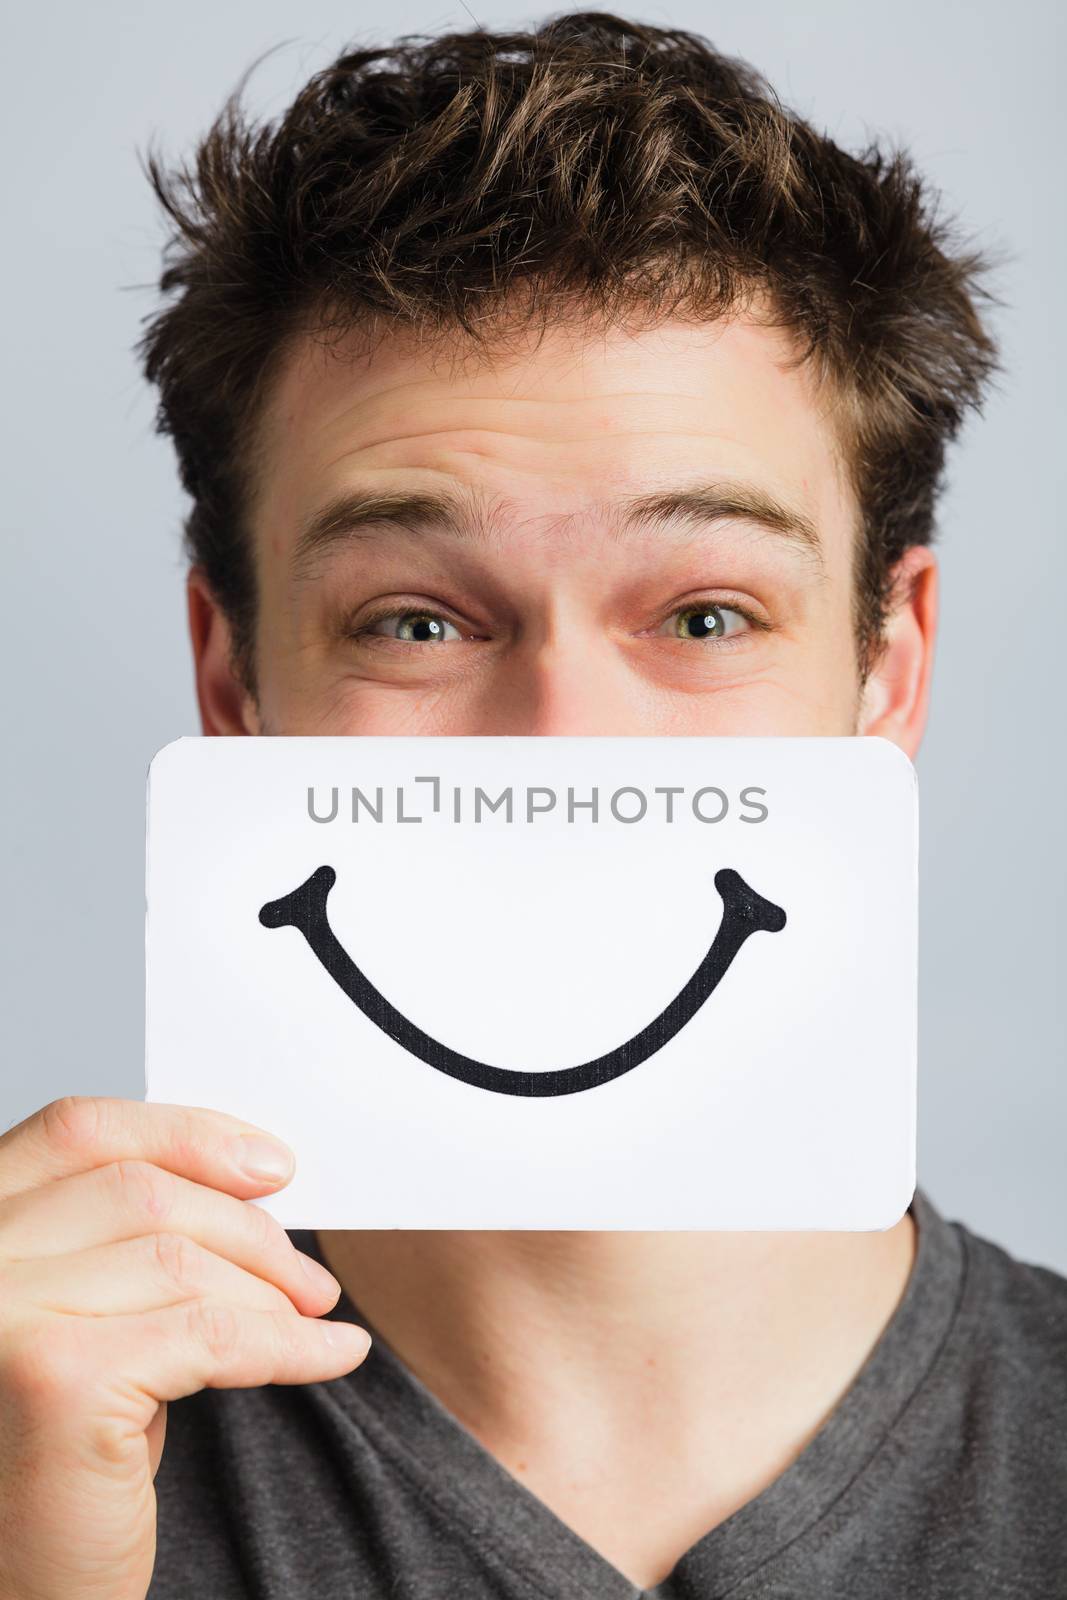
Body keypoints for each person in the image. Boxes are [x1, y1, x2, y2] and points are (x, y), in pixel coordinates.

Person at [0, 12, 1063, 1598]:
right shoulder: (33, 1459)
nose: (563, 745)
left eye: (705, 615)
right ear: (233, 685)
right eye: (414, 621)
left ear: (887, 670)